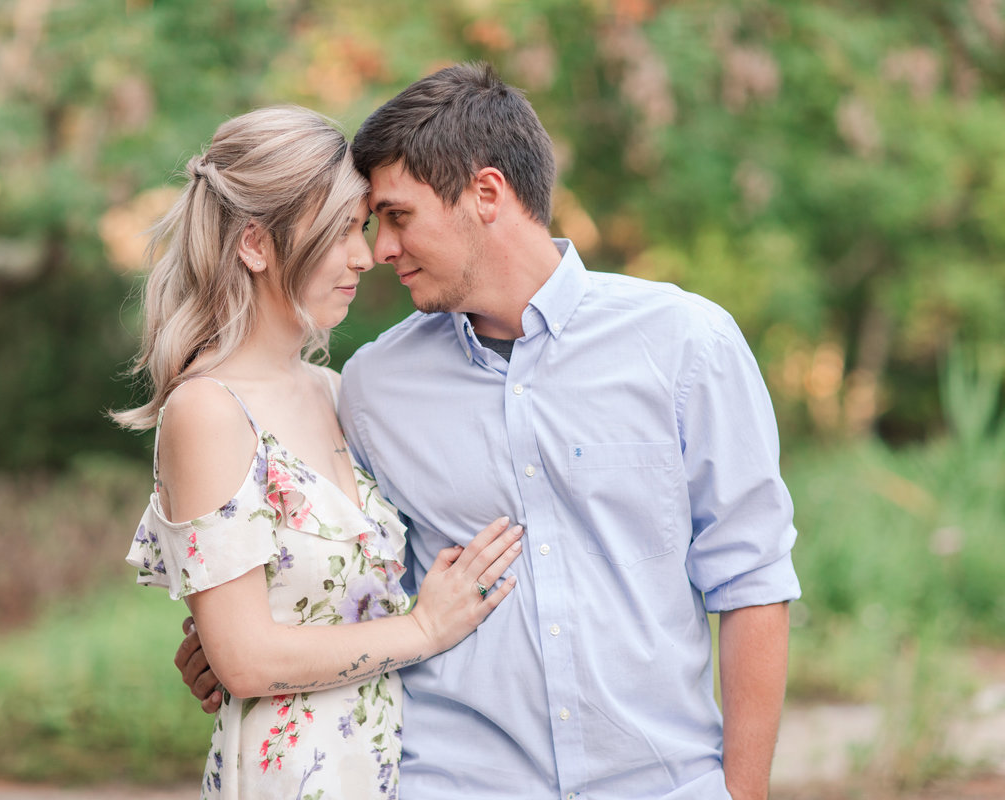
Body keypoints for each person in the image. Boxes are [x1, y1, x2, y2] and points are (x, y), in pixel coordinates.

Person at [178, 64, 801, 800]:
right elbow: (333, 555)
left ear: (486, 194)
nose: (379, 249)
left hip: (661, 784)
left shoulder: (686, 344)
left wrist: (743, 793)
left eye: (398, 216)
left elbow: (751, 580)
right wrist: (233, 640)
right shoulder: (375, 387)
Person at [114, 105, 523, 800]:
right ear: (255, 245)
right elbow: (245, 660)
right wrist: (422, 625)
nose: (366, 256)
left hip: (392, 763)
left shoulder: (338, 391)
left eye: (361, 229)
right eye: (338, 232)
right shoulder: (208, 412)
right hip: (296, 776)